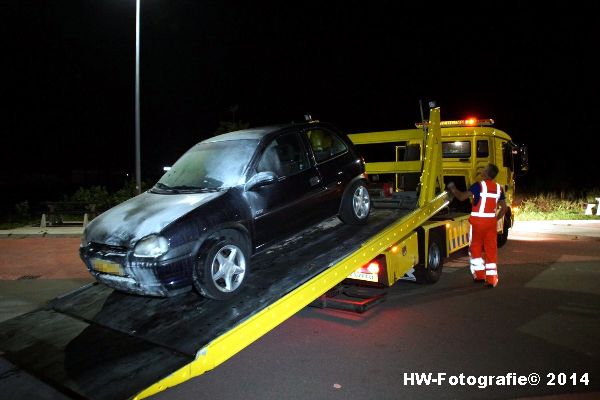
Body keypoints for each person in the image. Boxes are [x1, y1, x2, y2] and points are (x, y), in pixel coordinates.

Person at [447, 163, 507, 288]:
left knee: (476, 249)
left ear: (486, 173)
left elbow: (462, 197)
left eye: (484, 169)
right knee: (491, 251)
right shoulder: (498, 188)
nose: (482, 171)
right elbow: (504, 208)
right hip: (490, 224)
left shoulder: (478, 186)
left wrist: (453, 189)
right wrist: (495, 219)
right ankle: (492, 280)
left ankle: (479, 276)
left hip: (478, 224)